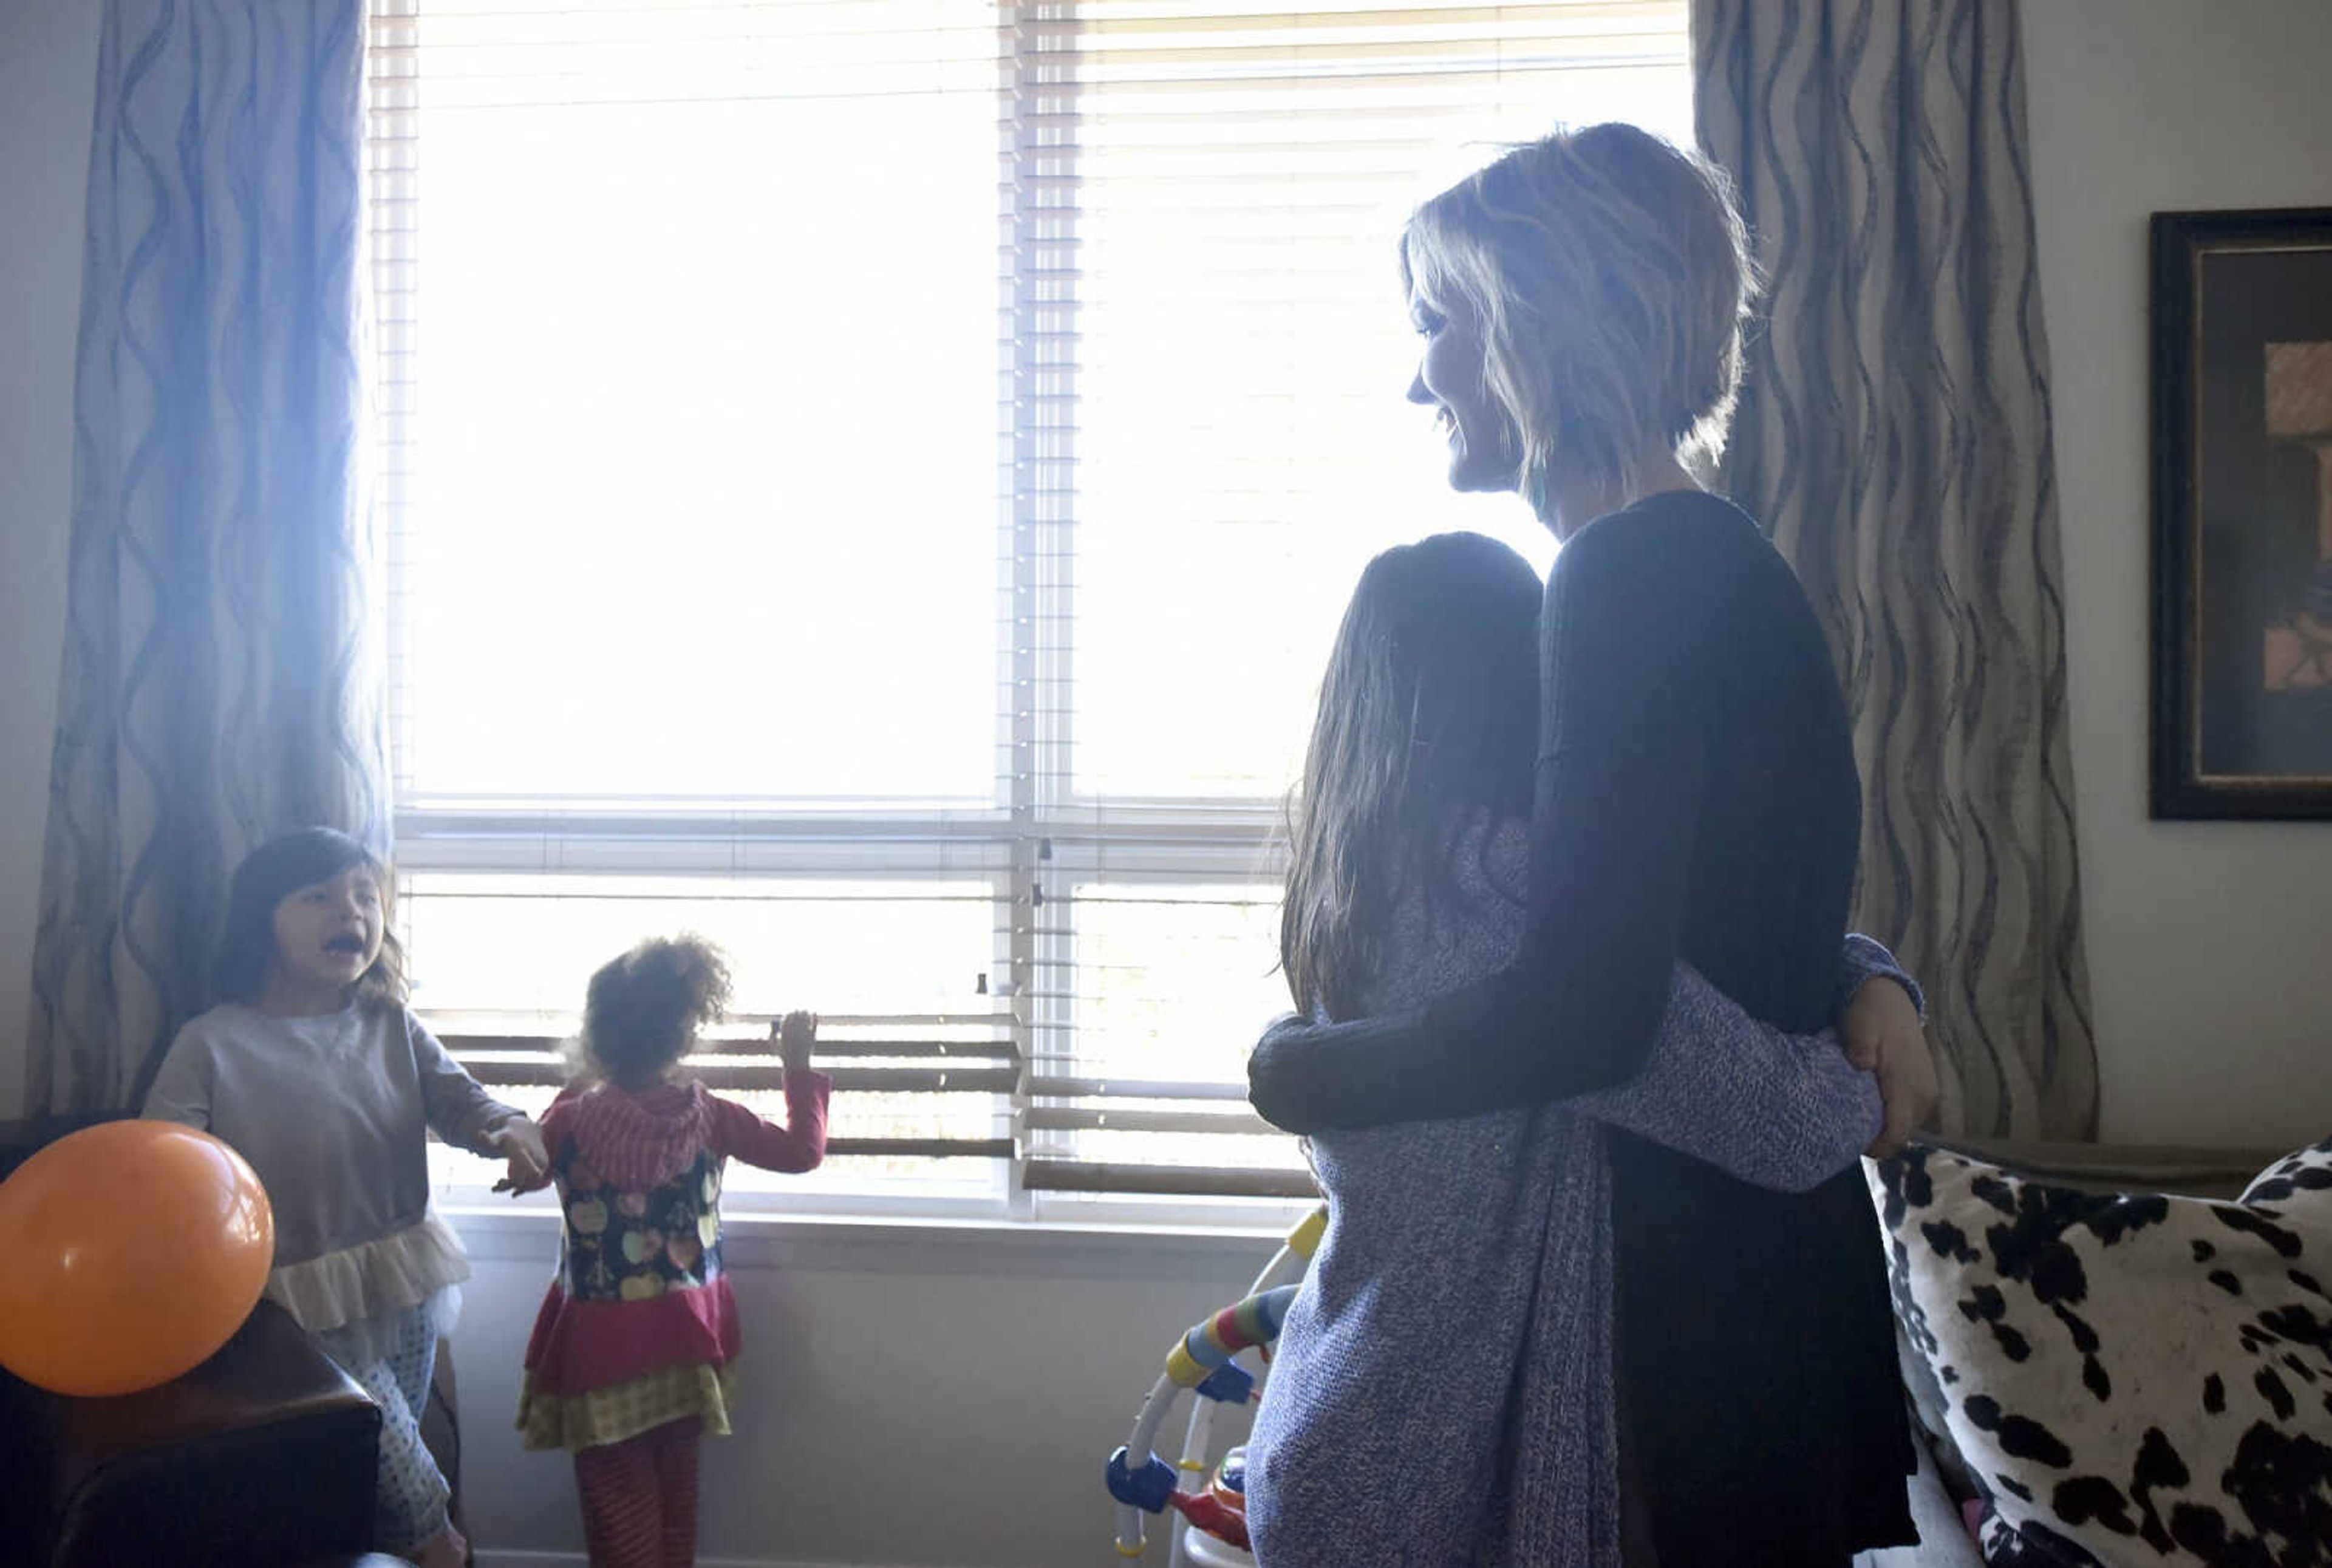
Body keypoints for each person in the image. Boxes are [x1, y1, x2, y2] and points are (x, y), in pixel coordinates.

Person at [1246, 124, 1932, 1564]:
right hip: (1740, 1290)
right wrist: (1873, 976)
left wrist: (1293, 1065)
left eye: (1441, 320)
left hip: (1696, 1323)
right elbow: (1707, 925)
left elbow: (1587, 1006)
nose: (1419, 367)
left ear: (1539, 314)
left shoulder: (1626, 579)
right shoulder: (1691, 563)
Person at [145, 827, 545, 1568]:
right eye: (320, 896)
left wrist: (510, 1127)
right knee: (418, 1498)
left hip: (405, 1278)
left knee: (394, 1476)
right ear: (263, 916)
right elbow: (159, 1158)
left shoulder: (390, 1022)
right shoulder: (212, 1041)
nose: (352, 912)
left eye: (366, 895)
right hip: (293, 1299)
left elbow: (462, 1100)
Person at [510, 936, 830, 1568]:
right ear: (683, 1037)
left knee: (616, 1506)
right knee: (678, 1494)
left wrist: (578, 1081)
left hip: (602, 1345)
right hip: (688, 1338)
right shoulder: (710, 1115)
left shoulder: (570, 1121)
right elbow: (802, 1151)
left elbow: (531, 1167)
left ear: (597, 1037)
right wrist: (797, 1063)